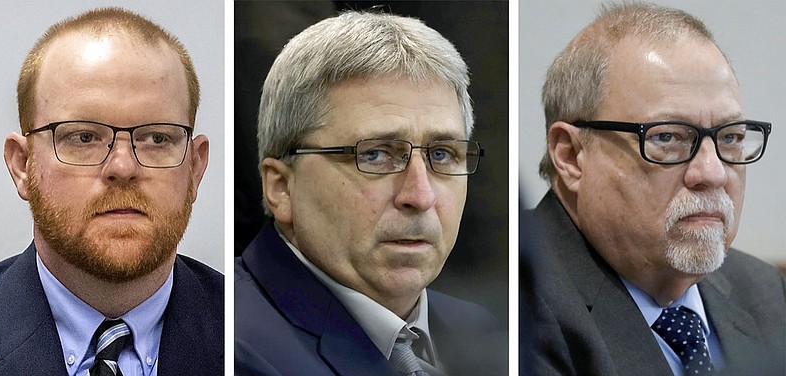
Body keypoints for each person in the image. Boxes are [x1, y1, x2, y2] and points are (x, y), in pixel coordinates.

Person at [234, 10, 507, 376]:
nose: (420, 196)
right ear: (281, 187)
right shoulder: (236, 350)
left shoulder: (482, 332)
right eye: (376, 155)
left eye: (442, 154)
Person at [526, 2, 785, 375]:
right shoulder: (523, 312)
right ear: (571, 156)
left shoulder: (763, 294)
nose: (712, 172)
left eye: (730, 137)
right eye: (668, 137)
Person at [0, 7, 222, 375]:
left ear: (194, 168)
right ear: (21, 165)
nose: (124, 168)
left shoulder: (240, 334)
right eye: (84, 137)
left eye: (157, 138)